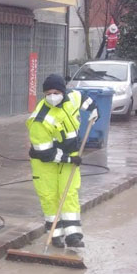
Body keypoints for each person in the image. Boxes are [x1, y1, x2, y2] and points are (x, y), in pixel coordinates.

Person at [26, 73, 98, 248]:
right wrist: (69, 159)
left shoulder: (72, 98)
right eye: (48, 93)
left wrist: (94, 110)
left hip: (70, 157)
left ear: (63, 92)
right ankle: (55, 234)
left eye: (56, 92)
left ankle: (73, 235)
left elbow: (83, 99)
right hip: (45, 164)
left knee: (69, 194)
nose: (52, 96)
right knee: (50, 197)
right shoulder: (39, 119)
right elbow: (45, 153)